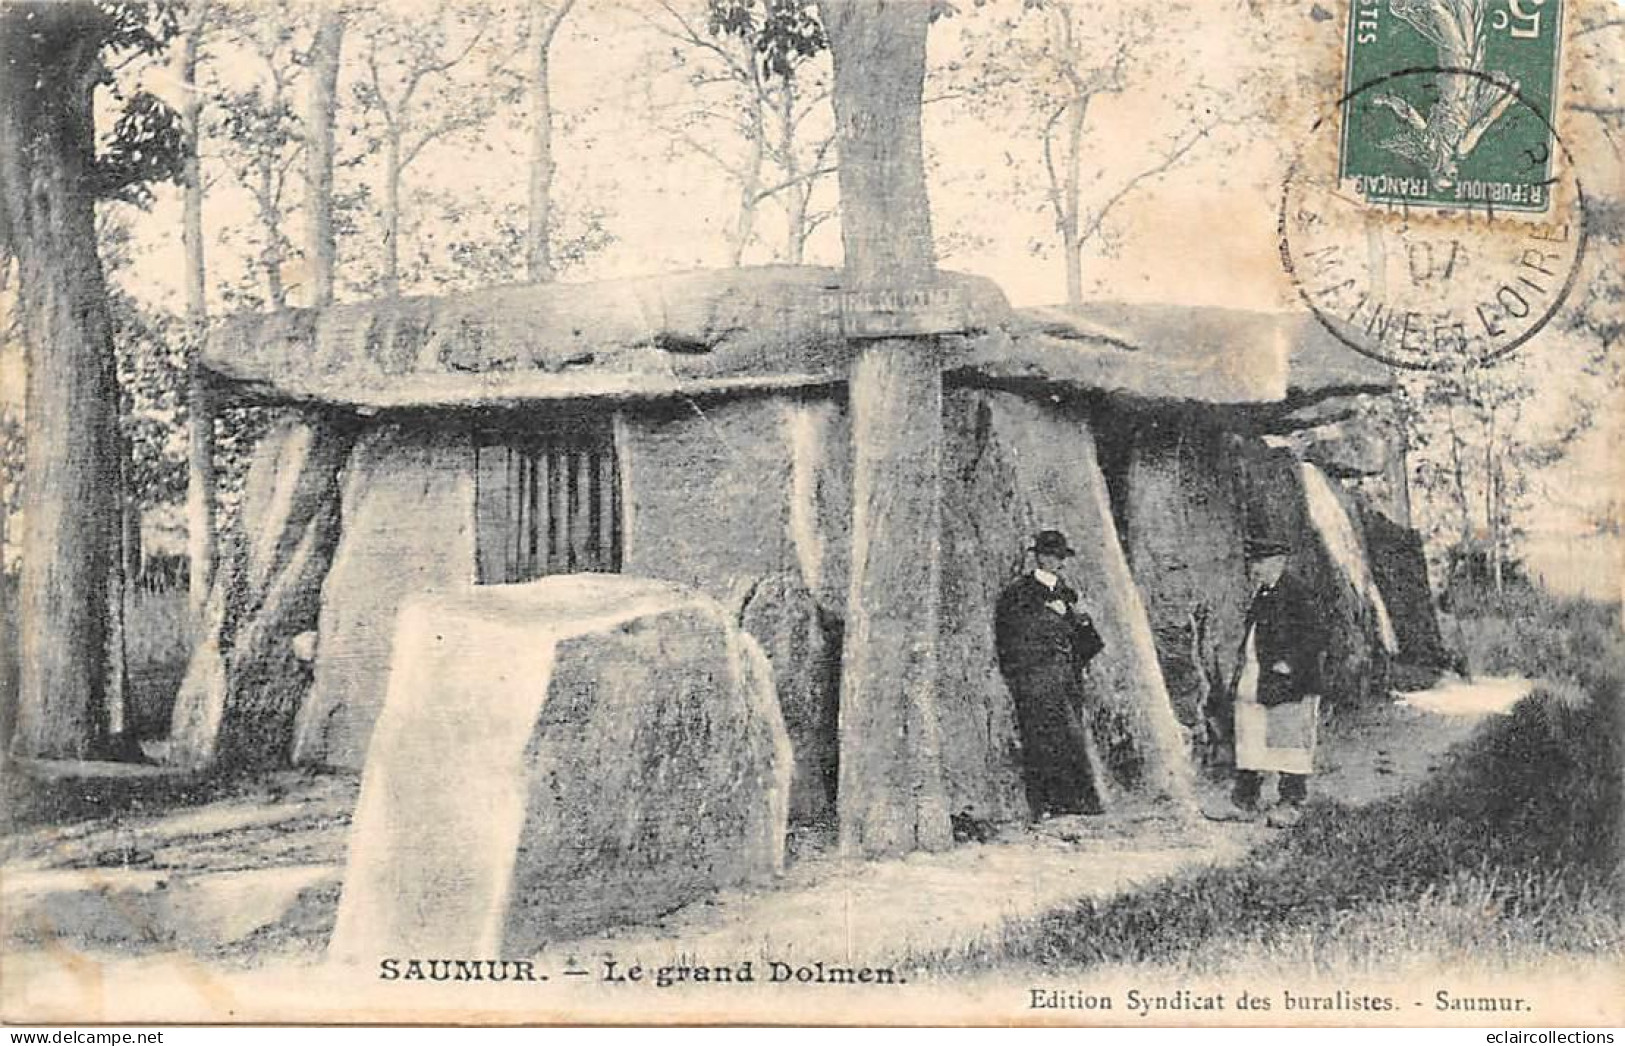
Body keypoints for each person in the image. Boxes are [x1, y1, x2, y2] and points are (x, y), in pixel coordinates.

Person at [1206, 537, 1328, 829]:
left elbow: (1318, 634)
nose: (1254, 569)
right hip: (1258, 677)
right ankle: (1245, 799)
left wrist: (1291, 663)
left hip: (1289, 683)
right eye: (1253, 562)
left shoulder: (1298, 593)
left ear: (1279, 561)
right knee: (1250, 735)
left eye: (1260, 562)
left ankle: (1291, 802)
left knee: (1288, 741)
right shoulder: (1263, 594)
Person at [994, 529, 1108, 821]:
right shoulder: (1019, 593)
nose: (1057, 562)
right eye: (1051, 556)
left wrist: (1080, 624)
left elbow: (1089, 643)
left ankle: (1074, 803)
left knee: (1070, 739)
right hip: (1036, 678)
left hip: (1067, 678)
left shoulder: (1068, 594)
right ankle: (1045, 804)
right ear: (1039, 557)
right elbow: (1011, 637)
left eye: (1060, 557)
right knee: (1041, 740)